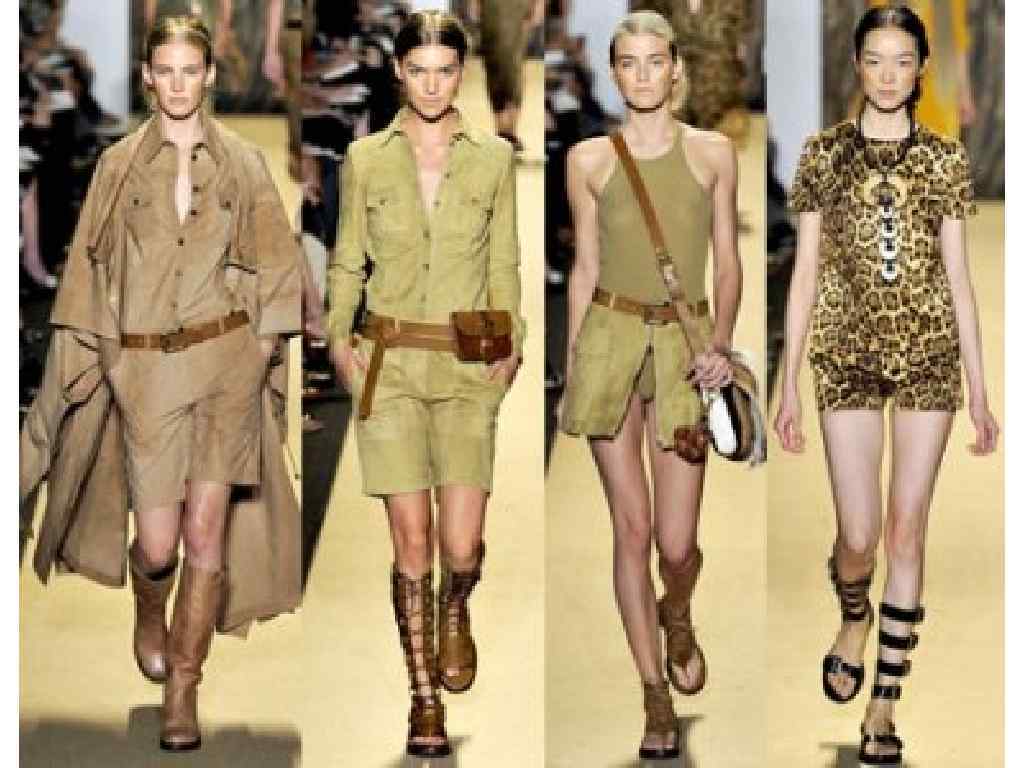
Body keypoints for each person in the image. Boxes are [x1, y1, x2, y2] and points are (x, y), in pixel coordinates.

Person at [19, 16, 302, 753]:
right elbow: (85, 274)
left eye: (190, 71)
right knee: (158, 543)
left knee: (206, 533)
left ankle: (184, 686)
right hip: (145, 372)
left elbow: (278, 268)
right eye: (166, 71)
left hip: (225, 366)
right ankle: (151, 603)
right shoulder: (117, 167)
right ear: (148, 77)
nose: (178, 85)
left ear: (209, 75)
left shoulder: (243, 163)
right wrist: (102, 365)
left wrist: (260, 351)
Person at [774, 6, 998, 765]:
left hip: (929, 355)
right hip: (846, 355)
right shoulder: (823, 155)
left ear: (922, 67)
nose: (889, 75)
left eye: (903, 60)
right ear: (857, 65)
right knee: (859, 537)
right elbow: (804, 274)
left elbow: (959, 279)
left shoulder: (945, 160)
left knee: (907, 530)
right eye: (876, 59)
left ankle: (883, 705)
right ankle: (851, 612)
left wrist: (979, 389)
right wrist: (786, 382)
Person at [326, 10, 524, 758]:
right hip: (390, 365)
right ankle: (423, 699)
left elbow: (503, 260)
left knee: (460, 545)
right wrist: (338, 337)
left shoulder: (494, 159)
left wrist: (513, 342)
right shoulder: (365, 158)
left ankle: (456, 602)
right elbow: (348, 259)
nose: (433, 86)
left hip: (468, 364)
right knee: (411, 541)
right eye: (419, 71)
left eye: (445, 72)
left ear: (461, 74)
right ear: (398, 73)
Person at [558, 10, 741, 759]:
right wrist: (576, 363)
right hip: (610, 339)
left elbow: (727, 260)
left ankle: (679, 610)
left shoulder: (713, 154)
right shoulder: (587, 161)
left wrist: (720, 345)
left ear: (674, 69)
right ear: (614, 72)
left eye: (654, 61)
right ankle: (653, 695)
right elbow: (585, 268)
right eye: (628, 62)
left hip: (682, 349)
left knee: (676, 541)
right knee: (631, 530)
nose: (642, 74)